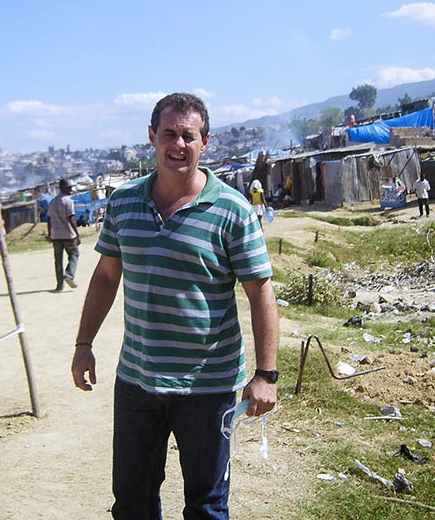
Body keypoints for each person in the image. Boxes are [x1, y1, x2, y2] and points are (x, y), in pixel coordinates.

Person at [71, 92, 279, 519]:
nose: (178, 144)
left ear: (205, 141)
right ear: (152, 137)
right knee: (132, 503)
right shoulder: (124, 203)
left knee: (205, 506)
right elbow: (106, 276)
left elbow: (260, 292)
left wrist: (265, 375)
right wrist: (83, 344)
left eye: (188, 135)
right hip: (137, 383)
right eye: (169, 134)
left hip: (207, 387)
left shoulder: (232, 211)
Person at [47, 178, 81, 291]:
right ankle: (69, 275)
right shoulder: (68, 201)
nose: (71, 190)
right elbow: (71, 218)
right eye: (69, 188)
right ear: (63, 189)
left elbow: (49, 219)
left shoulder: (52, 202)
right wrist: (77, 234)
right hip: (68, 235)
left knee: (58, 260)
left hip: (56, 236)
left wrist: (49, 234)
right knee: (74, 254)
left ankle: (59, 285)